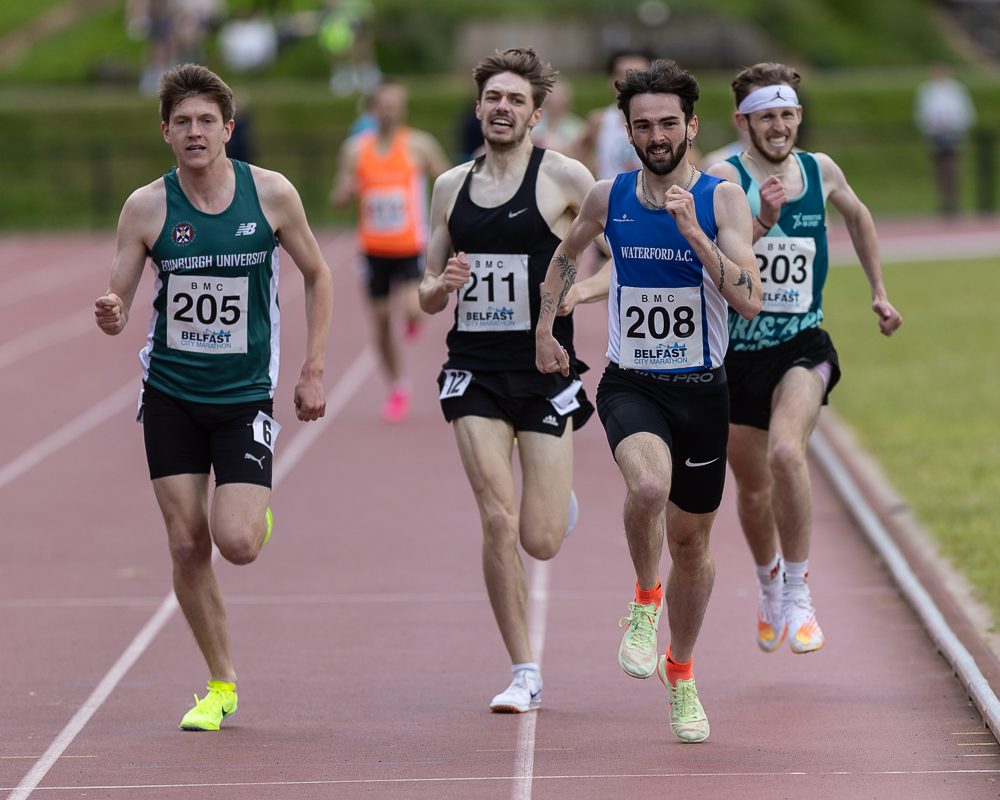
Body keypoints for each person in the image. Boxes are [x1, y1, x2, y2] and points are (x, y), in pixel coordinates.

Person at [94, 63, 333, 731]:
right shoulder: (146, 207)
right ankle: (220, 684)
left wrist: (312, 369)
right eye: (182, 122)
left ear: (228, 129)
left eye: (207, 121)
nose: (194, 132)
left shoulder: (272, 195)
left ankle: (251, 514)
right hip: (169, 391)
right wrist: (112, 311)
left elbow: (318, 274)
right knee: (185, 543)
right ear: (164, 131)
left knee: (237, 542)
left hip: (244, 396)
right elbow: (119, 296)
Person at [537, 60, 761, 743]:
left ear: (692, 126)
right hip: (631, 383)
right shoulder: (609, 195)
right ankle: (643, 597)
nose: (657, 135)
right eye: (644, 125)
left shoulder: (723, 199)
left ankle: (682, 671)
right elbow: (568, 254)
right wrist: (548, 321)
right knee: (648, 485)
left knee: (693, 545)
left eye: (669, 123)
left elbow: (748, 299)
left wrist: (694, 235)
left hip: (704, 390)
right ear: (628, 131)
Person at [420, 47, 609, 714]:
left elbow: (618, 263)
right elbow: (425, 288)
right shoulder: (448, 186)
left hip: (544, 368)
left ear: (535, 113)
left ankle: (560, 507)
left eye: (515, 100)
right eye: (492, 98)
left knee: (541, 537)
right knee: (497, 520)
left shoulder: (566, 177)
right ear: (478, 109)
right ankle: (523, 668)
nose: (502, 108)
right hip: (472, 370)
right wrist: (439, 287)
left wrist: (574, 296)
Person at [707, 62, 902, 657]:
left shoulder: (820, 170)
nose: (780, 124)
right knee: (753, 490)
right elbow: (718, 259)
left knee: (788, 452)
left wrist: (878, 290)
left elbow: (860, 215)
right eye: (767, 114)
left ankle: (799, 594)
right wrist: (761, 222)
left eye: (788, 112)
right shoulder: (724, 178)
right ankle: (768, 584)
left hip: (803, 342)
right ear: (743, 121)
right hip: (738, 353)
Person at [331, 81, 451, 421]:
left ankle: (413, 320)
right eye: (383, 104)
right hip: (373, 249)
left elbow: (448, 181)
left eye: (394, 104)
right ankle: (398, 387)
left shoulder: (418, 145)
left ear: (402, 108)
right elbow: (338, 198)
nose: (389, 110)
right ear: (373, 107)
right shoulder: (356, 149)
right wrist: (345, 191)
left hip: (411, 244)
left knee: (414, 310)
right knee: (381, 323)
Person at [914, 63, 977, 216]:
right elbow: (921, 114)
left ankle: (954, 201)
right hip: (935, 135)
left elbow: (966, 113)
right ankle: (943, 202)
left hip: (954, 134)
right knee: (939, 171)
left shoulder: (956, 89)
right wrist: (933, 128)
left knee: (953, 169)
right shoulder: (927, 90)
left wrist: (953, 126)